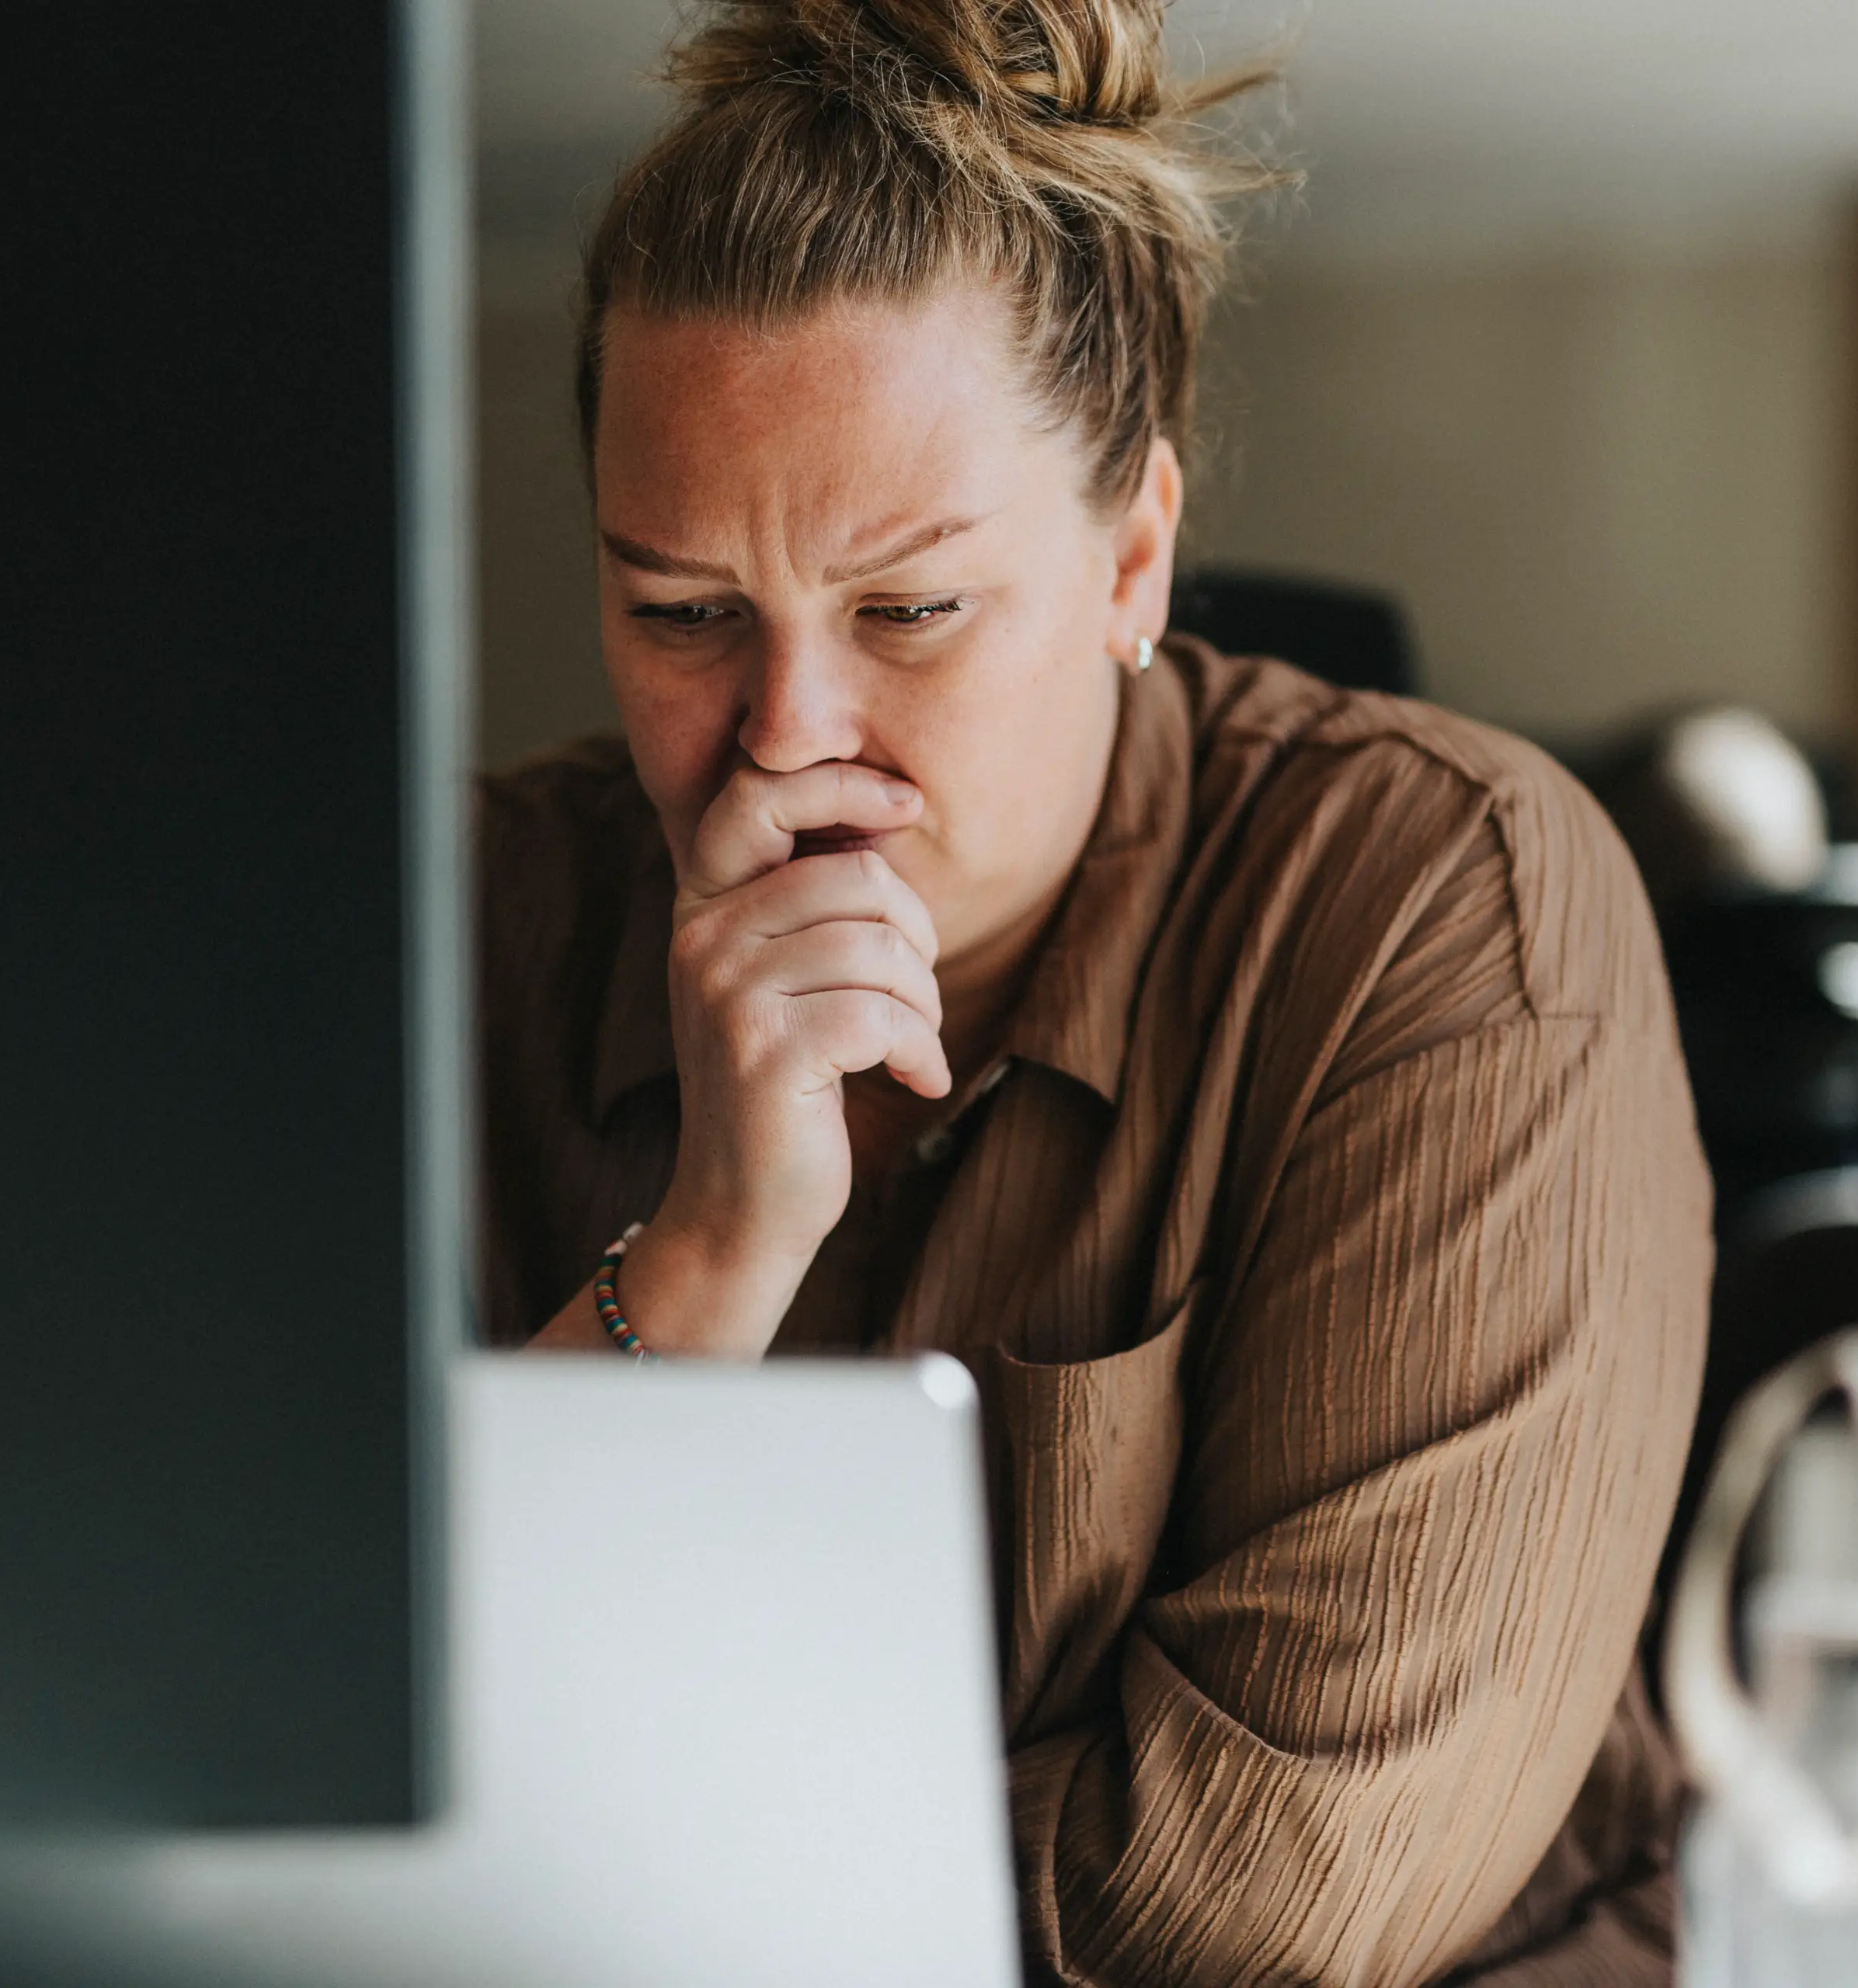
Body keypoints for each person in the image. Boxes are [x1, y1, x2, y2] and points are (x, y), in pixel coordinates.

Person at [478, 2, 1713, 1979]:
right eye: (685, 613)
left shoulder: (1450, 910)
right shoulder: (470, 925)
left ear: (1134, 552)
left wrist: (596, 1867)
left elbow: (1271, 1889)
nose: (788, 735)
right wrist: (704, 1258)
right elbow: (285, 1748)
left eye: (912, 609)